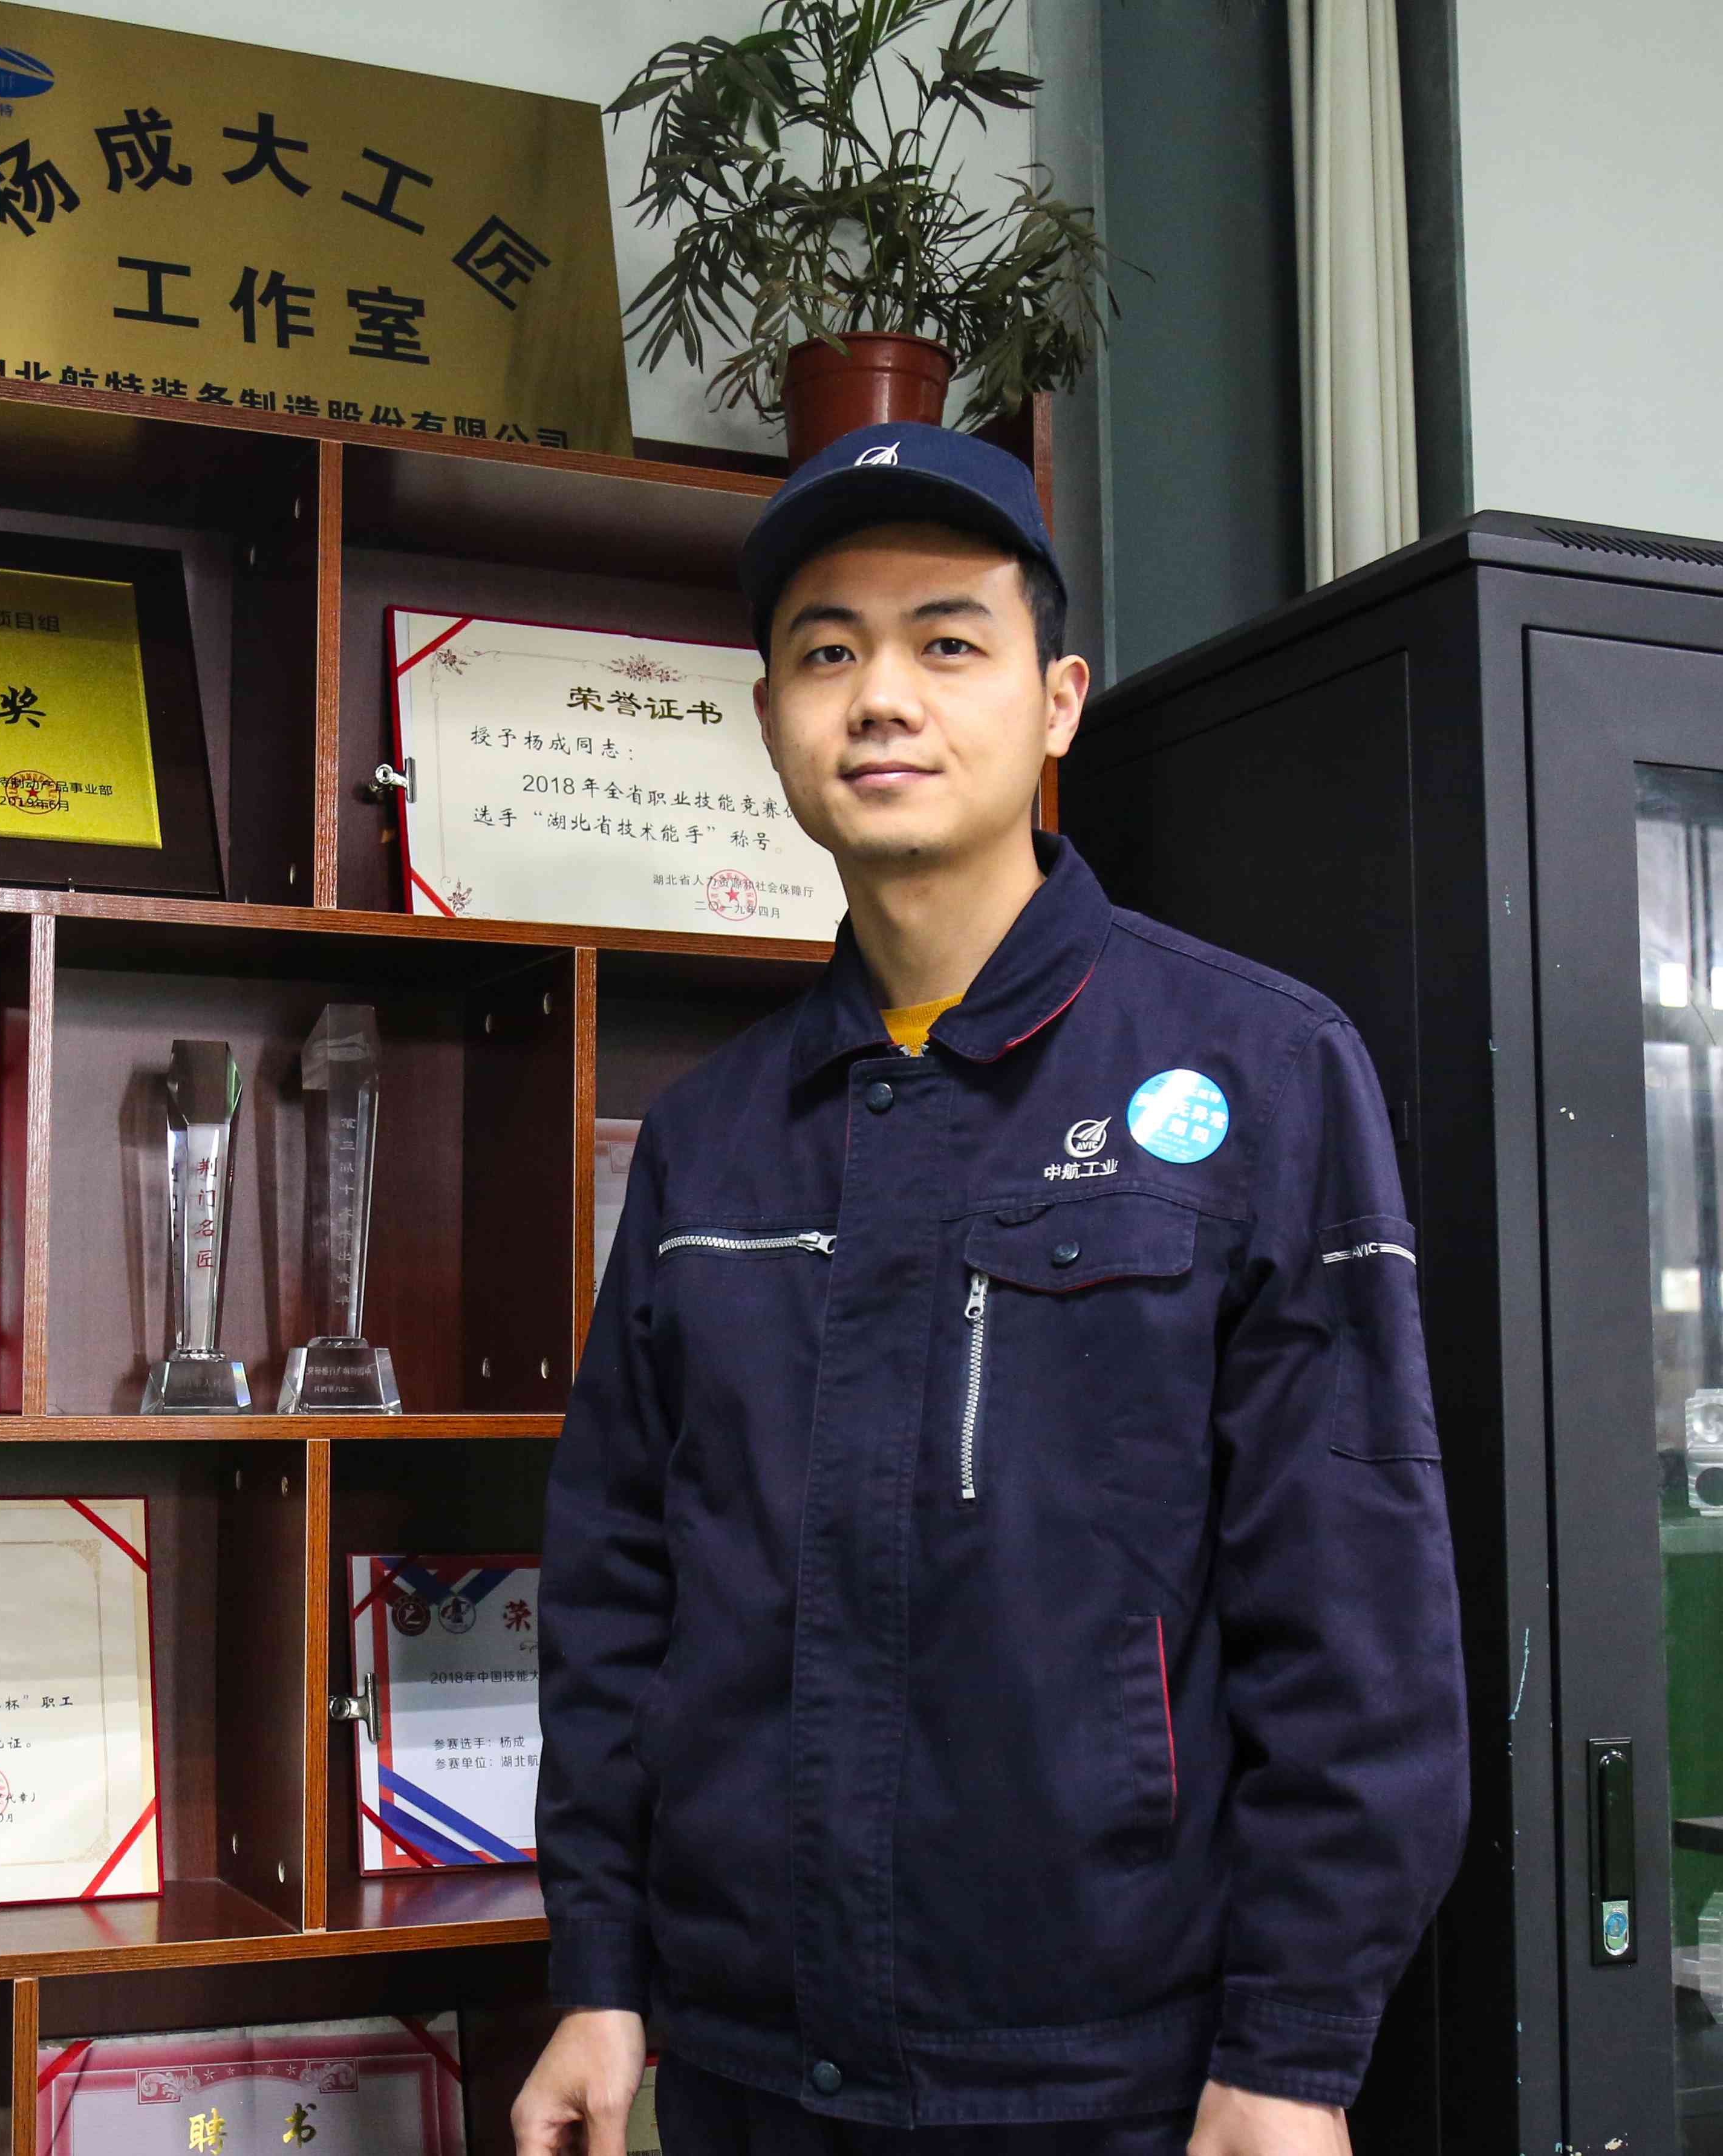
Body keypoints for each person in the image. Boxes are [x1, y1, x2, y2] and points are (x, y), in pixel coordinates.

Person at [511, 424, 1469, 2156]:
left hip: (1113, 2082)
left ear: (1058, 702)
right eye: (827, 654)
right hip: (744, 2067)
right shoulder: (712, 1139)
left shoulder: (1254, 1068)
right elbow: (614, 1587)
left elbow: (1355, 1614)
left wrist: (1295, 2052)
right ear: (771, 722)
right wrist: (599, 1969)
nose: (882, 697)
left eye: (948, 642)